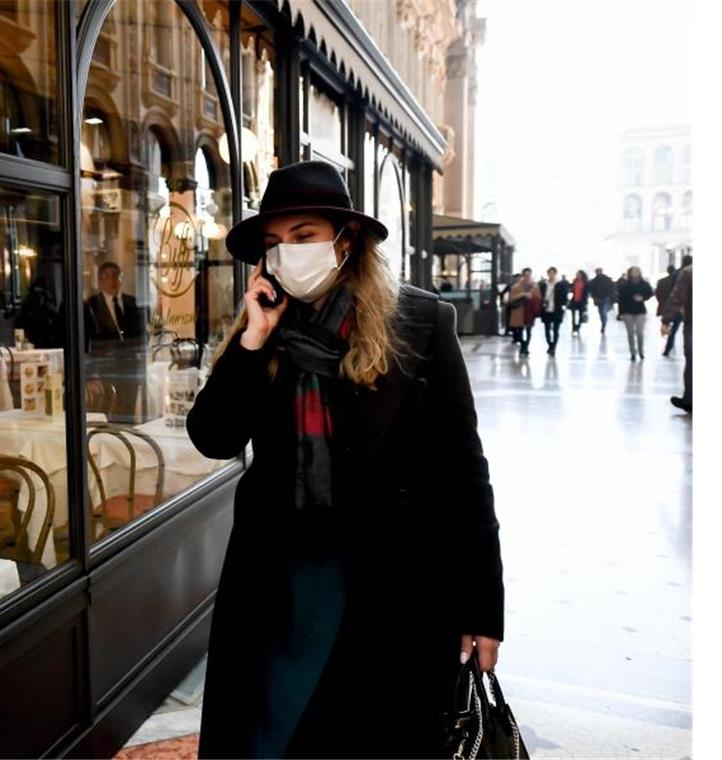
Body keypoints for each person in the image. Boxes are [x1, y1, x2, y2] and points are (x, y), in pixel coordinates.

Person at [187, 161, 504, 758]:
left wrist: (482, 607)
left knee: (366, 738)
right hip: (278, 582)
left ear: (345, 237)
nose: (288, 254)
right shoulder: (266, 328)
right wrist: (253, 340)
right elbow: (213, 436)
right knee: (271, 734)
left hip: (390, 582)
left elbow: (465, 473)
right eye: (275, 244)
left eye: (304, 236)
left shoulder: (420, 322)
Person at [83, 261, 146, 421]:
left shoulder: (132, 302)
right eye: (107, 276)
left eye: (117, 276)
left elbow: (140, 335)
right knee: (109, 414)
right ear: (100, 281)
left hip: (131, 369)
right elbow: (86, 342)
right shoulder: (90, 305)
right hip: (106, 370)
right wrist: (89, 375)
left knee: (129, 413)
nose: (112, 281)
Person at [661, 260, 692, 412]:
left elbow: (676, 297)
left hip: (692, 322)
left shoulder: (689, 272)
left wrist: (666, 320)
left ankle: (689, 400)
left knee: (692, 361)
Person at [617, 266, 654, 361]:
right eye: (633, 271)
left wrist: (643, 298)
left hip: (640, 310)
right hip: (627, 311)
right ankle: (632, 352)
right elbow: (620, 299)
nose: (635, 273)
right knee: (630, 333)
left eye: (637, 271)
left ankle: (641, 351)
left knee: (640, 333)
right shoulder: (625, 285)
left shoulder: (644, 284)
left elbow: (650, 293)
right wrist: (620, 312)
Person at [655, 261, 685, 358]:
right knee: (677, 328)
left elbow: (658, 295)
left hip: (668, 308)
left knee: (672, 329)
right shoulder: (683, 278)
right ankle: (669, 348)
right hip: (680, 308)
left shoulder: (663, 281)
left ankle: (668, 348)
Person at [507, 267, 540, 357]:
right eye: (525, 275)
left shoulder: (534, 286)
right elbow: (511, 299)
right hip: (519, 311)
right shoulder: (516, 286)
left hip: (529, 312)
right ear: (522, 276)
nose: (527, 277)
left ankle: (525, 347)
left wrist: (532, 297)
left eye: (528, 275)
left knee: (529, 331)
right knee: (519, 331)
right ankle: (523, 345)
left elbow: (538, 298)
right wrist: (522, 294)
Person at [538, 266, 569, 356]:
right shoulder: (544, 285)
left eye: (552, 273)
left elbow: (565, 297)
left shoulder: (560, 284)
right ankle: (550, 344)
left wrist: (563, 305)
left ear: (555, 273)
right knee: (547, 329)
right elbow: (541, 296)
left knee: (556, 329)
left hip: (557, 309)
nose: (551, 275)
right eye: (549, 273)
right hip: (546, 309)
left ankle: (553, 347)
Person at [589, 267, 616, 334]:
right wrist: (594, 297)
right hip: (599, 299)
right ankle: (603, 323)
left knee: (603, 312)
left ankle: (604, 325)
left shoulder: (607, 279)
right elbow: (592, 290)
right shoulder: (594, 281)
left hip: (605, 298)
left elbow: (612, 289)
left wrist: (610, 297)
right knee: (601, 313)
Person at [568, 269, 590, 334]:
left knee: (581, 315)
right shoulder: (575, 281)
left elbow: (586, 293)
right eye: (577, 274)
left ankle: (578, 327)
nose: (577, 275)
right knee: (573, 315)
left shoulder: (585, 282)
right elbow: (572, 289)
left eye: (578, 274)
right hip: (574, 300)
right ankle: (573, 326)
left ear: (582, 275)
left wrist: (585, 302)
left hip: (582, 301)